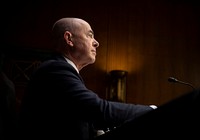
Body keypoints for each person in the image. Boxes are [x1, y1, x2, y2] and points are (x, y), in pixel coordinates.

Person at [18, 17, 157, 140]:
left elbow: (76, 118)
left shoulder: (59, 69)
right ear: (69, 39)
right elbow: (97, 110)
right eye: (90, 35)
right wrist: (150, 111)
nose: (96, 43)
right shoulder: (56, 69)